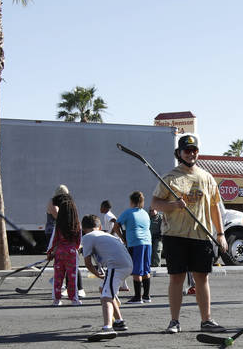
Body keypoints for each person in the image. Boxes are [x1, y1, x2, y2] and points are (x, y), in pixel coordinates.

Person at [150, 134, 229, 335]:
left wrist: (220, 234)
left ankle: (207, 320)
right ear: (179, 153)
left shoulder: (207, 177)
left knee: (202, 278)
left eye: (194, 150)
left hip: (201, 235)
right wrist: (174, 205)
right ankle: (174, 321)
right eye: (187, 150)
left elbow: (214, 208)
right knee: (176, 278)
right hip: (175, 235)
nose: (191, 153)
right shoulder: (170, 178)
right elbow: (155, 204)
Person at [80, 214, 133, 338]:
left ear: (83, 228)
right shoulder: (106, 235)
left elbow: (87, 263)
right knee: (104, 289)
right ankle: (119, 321)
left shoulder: (87, 237)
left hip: (116, 266)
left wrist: (97, 274)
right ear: (99, 227)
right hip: (126, 264)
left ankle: (107, 327)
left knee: (105, 297)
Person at [117, 191, 153, 303]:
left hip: (135, 242)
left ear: (131, 201)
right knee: (146, 268)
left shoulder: (128, 212)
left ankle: (138, 297)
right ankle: (146, 296)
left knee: (136, 269)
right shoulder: (145, 213)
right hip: (148, 242)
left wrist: (123, 238)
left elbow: (116, 226)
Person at [47, 192, 82, 306]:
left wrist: (50, 252)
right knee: (72, 277)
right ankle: (74, 299)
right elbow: (78, 241)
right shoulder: (76, 224)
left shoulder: (59, 225)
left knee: (58, 277)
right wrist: (75, 248)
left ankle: (56, 300)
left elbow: (54, 240)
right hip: (71, 252)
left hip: (59, 252)